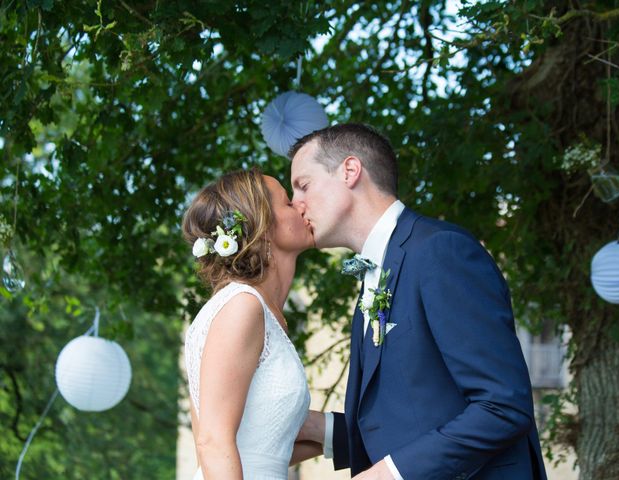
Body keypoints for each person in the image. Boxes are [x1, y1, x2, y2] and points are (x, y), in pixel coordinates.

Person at [290, 124, 547, 480]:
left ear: (350, 171)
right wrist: (322, 430)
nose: (295, 203)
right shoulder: (376, 272)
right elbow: (414, 416)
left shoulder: (440, 251)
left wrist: (388, 475)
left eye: (303, 184)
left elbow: (503, 406)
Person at [182, 169, 321, 480]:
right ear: (262, 228)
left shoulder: (259, 311)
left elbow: (265, 450)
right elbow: (212, 442)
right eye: (287, 203)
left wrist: (345, 436)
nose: (301, 206)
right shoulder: (242, 307)